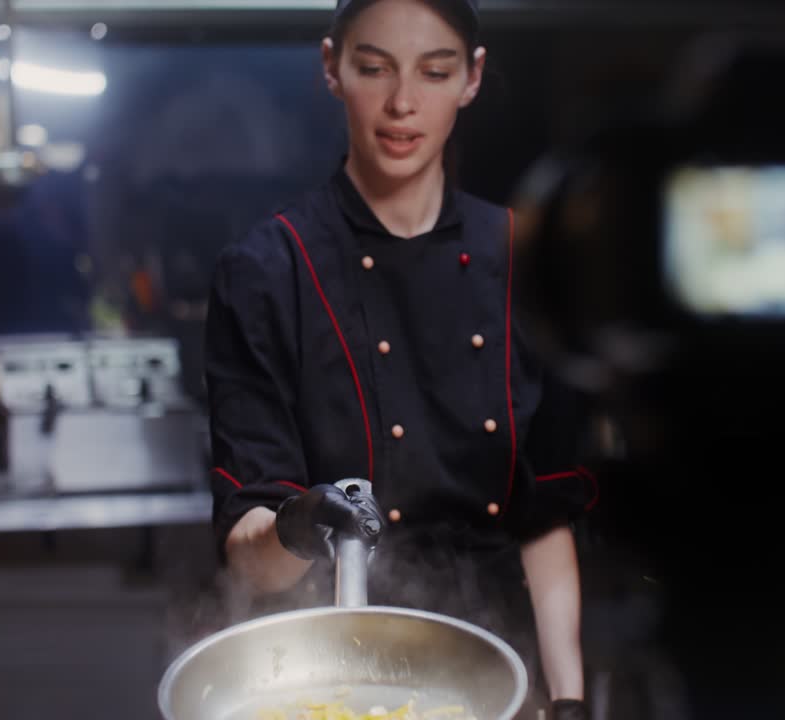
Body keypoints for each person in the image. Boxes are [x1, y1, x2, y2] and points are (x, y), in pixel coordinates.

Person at [204, 0, 595, 716]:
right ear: (332, 67)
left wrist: (567, 698)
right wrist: (299, 521)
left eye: (435, 71)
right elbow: (251, 561)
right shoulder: (265, 271)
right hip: (327, 674)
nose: (403, 103)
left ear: (471, 79)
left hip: (506, 668)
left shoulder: (527, 262)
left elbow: (544, 520)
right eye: (373, 68)